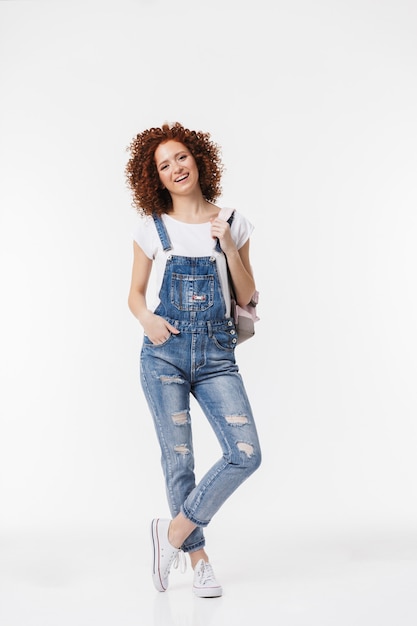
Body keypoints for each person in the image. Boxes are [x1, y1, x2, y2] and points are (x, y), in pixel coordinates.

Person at [125, 122, 261, 598]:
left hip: (218, 354)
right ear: (156, 179)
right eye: (164, 166)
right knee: (179, 459)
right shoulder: (152, 229)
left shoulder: (234, 221)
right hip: (164, 355)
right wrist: (148, 321)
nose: (175, 168)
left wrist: (226, 244)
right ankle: (199, 559)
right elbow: (135, 297)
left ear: (198, 159)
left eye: (180, 157)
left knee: (245, 454)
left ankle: (172, 534)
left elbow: (248, 295)